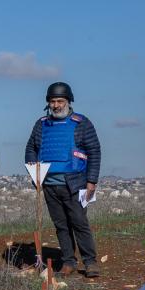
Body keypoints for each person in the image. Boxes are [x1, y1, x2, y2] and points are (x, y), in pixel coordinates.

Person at [25, 81, 102, 277]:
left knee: (79, 223)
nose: (56, 105)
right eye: (53, 101)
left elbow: (94, 151)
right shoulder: (41, 125)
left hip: (75, 183)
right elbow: (30, 149)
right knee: (61, 225)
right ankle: (68, 261)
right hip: (50, 185)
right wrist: (35, 175)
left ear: (68, 101)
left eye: (60, 100)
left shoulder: (81, 123)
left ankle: (90, 262)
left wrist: (91, 181)